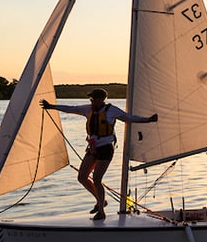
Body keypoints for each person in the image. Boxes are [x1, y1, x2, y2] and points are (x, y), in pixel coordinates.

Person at [40, 88, 157, 220]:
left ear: (101, 99)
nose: (92, 100)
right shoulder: (88, 109)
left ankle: (101, 211)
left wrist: (148, 120)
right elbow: (71, 108)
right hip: (93, 147)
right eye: (91, 98)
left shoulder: (112, 110)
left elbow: (128, 118)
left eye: (94, 98)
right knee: (82, 177)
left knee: (96, 179)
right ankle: (100, 200)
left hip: (106, 148)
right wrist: (51, 106)